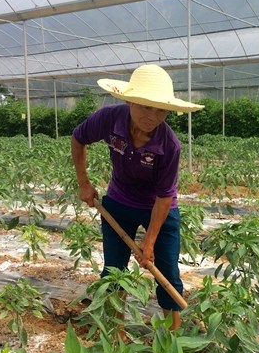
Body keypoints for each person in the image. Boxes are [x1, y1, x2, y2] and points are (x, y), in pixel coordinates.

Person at [71, 64, 204, 331]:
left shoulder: (169, 145)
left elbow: (165, 197)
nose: (153, 116)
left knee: (167, 271)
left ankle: (172, 336)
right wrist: (84, 183)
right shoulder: (108, 119)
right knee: (114, 272)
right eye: (146, 106)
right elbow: (78, 138)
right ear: (131, 100)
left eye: (160, 109)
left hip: (159, 210)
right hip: (119, 203)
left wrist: (150, 242)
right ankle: (114, 332)